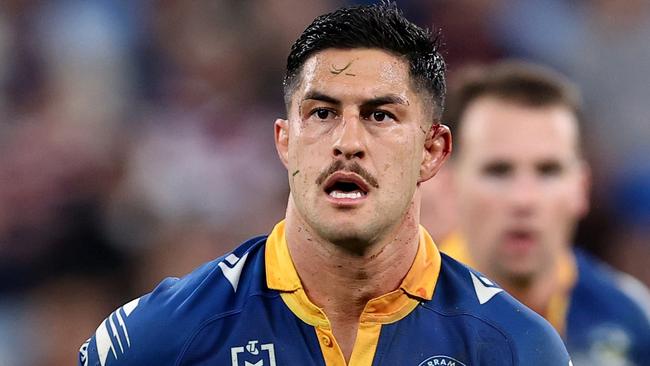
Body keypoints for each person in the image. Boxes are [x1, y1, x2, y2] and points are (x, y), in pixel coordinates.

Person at [78, 4, 570, 365]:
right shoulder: (160, 339)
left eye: (380, 114)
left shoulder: (516, 348)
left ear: (432, 151)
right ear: (284, 142)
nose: (348, 142)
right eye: (322, 113)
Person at [424, 60, 650, 365]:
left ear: (581, 188)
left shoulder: (631, 318)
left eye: (548, 171)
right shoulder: (397, 316)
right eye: (498, 171)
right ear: (449, 186)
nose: (524, 199)